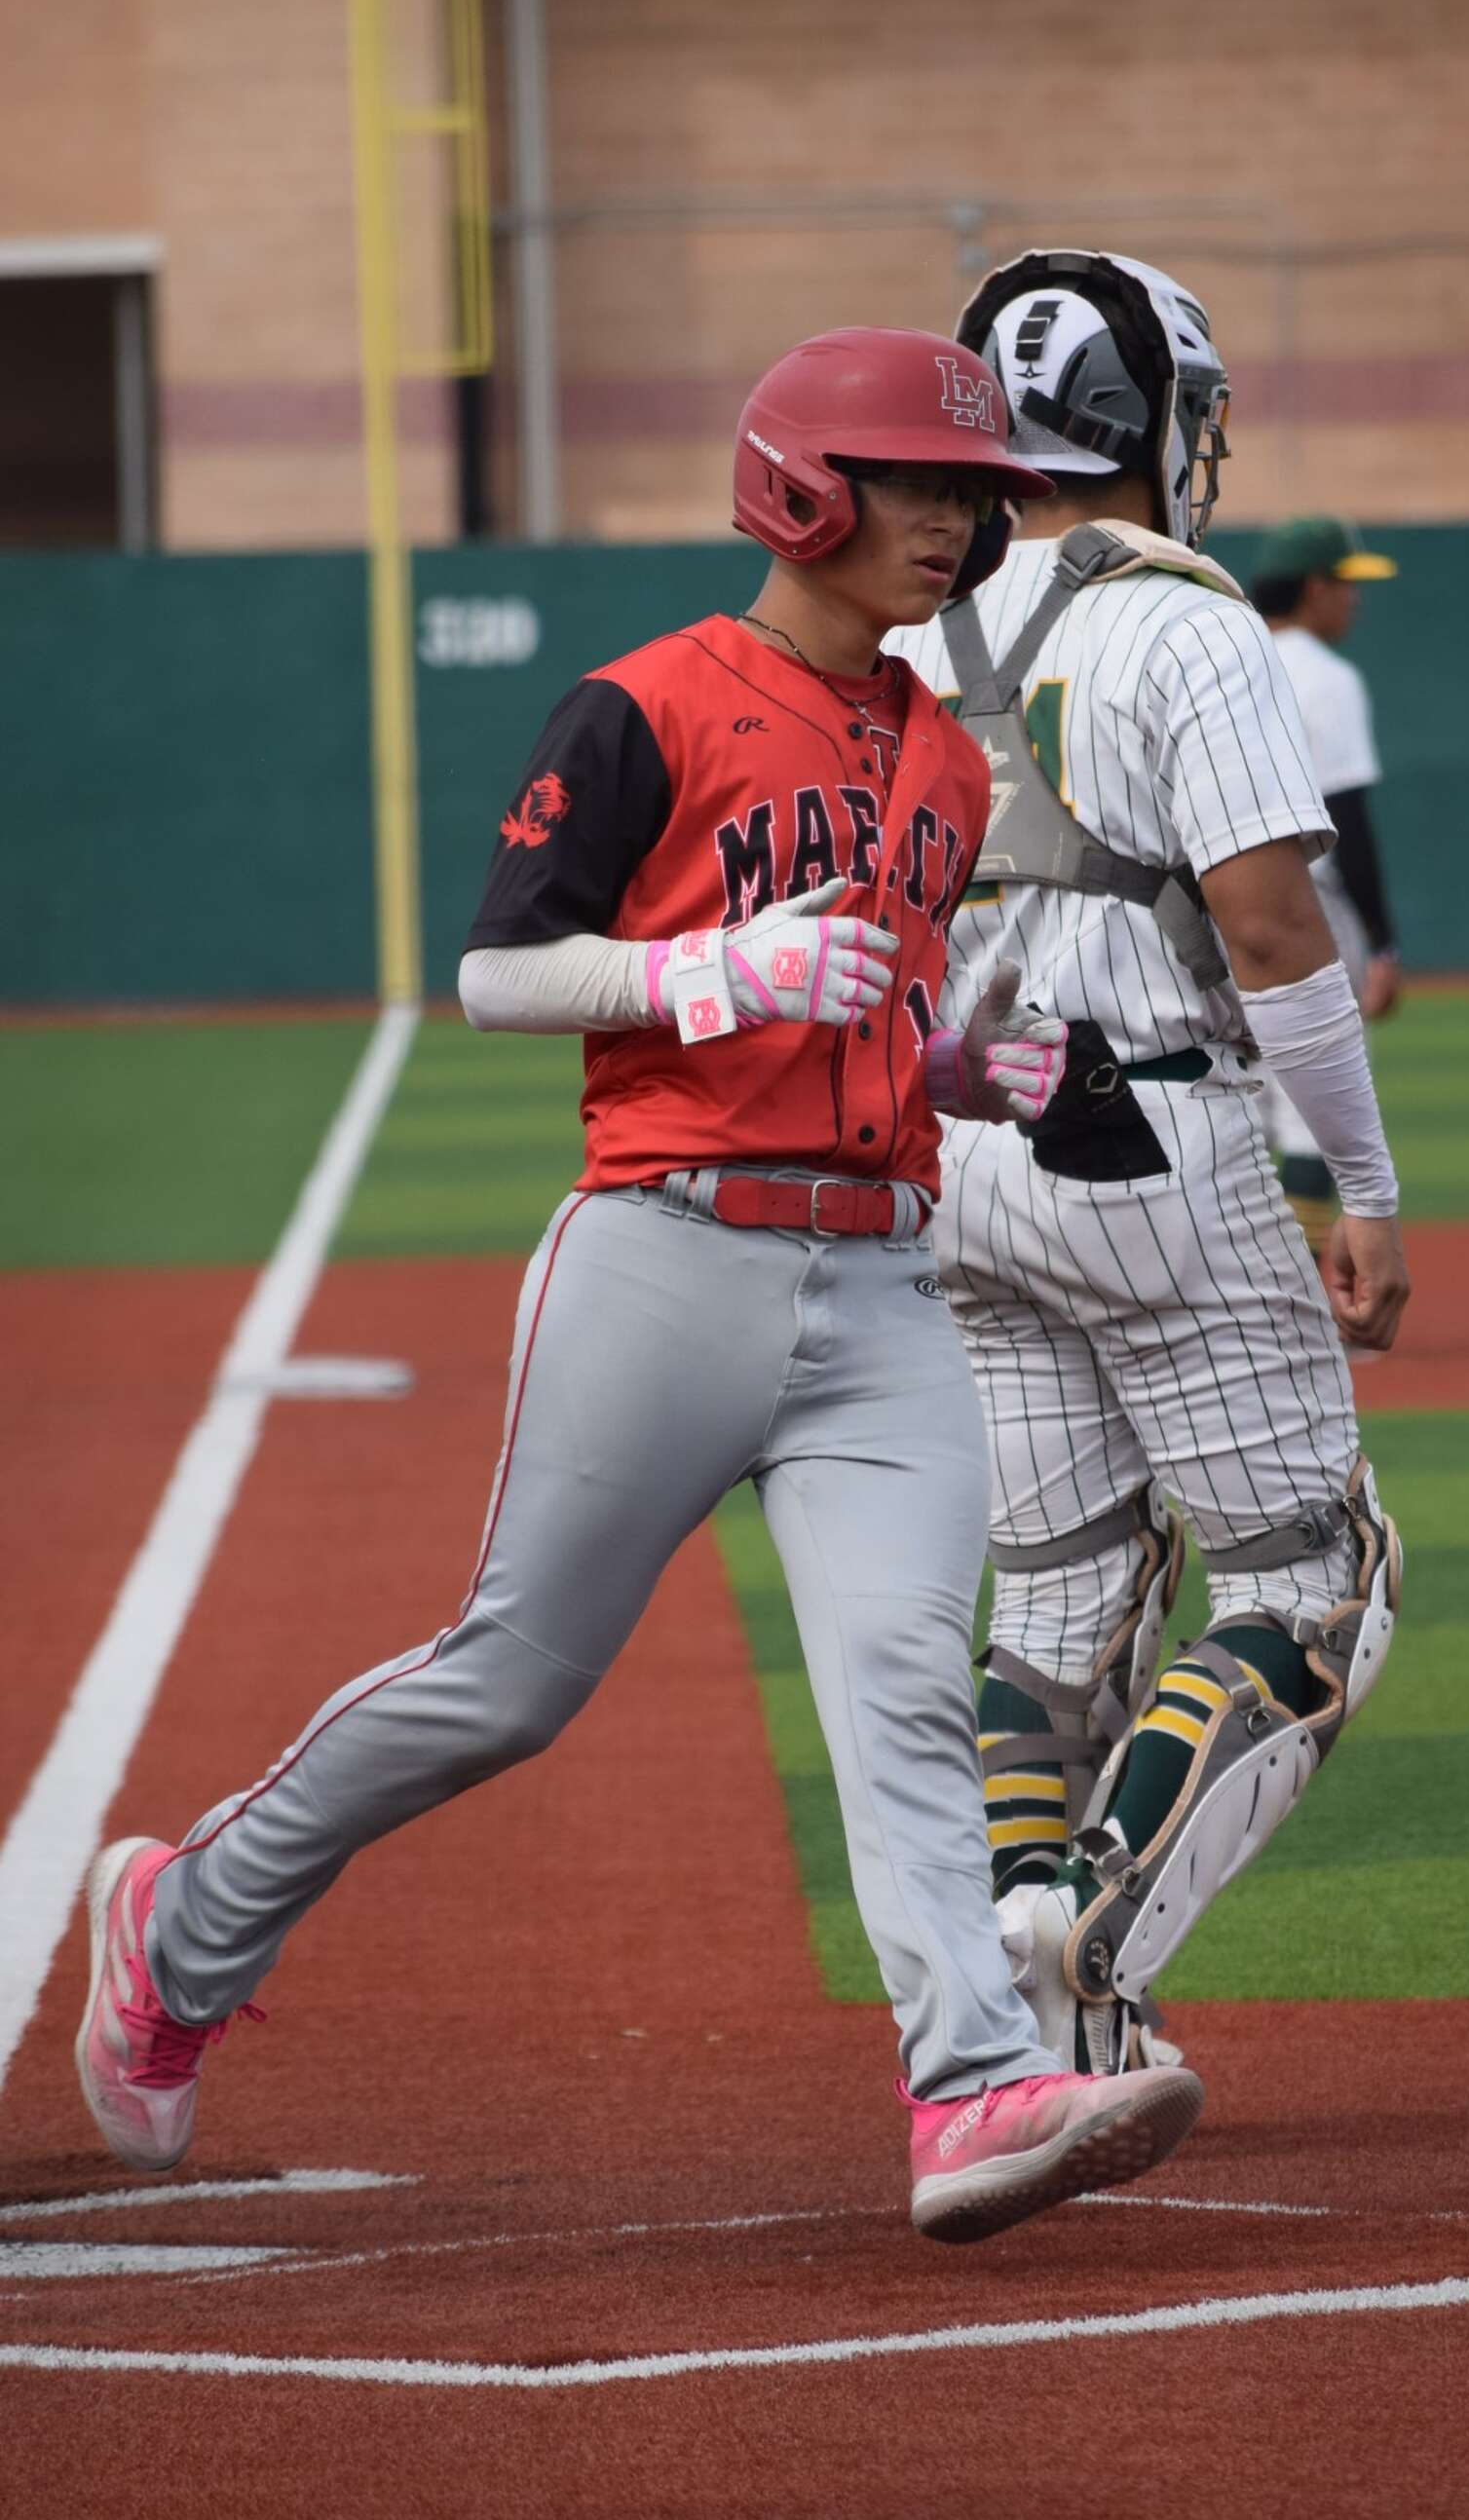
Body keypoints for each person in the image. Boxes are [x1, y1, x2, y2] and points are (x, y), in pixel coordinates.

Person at [73, 324, 1205, 2245]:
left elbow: (902, 1018)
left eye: (976, 493)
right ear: (800, 485)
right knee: (510, 1679)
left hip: (885, 1294)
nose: (956, 519)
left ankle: (970, 2088)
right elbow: (501, 973)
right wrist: (711, 973)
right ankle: (181, 1919)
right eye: (922, 482)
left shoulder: (943, 751)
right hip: (664, 1250)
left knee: (905, 1696)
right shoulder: (644, 705)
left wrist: (1029, 1080)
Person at [887, 253, 1409, 2076]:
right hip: (1154, 1137)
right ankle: (1093, 1942)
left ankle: (1022, 1994)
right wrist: (1369, 1183)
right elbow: (1272, 929)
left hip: (957, 1144)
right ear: (1152, 422)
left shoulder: (897, 617)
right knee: (1311, 1580)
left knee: (1050, 1606)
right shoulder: (1193, 622)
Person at [1248, 517, 1403, 1254]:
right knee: (1310, 1108)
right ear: (1315, 589)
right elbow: (1349, 816)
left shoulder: (1229, 657)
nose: (1356, 602)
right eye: (1348, 585)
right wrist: (1385, 944)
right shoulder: (1327, 678)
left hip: (1207, 911)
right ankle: (1305, 1293)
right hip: (1309, 905)